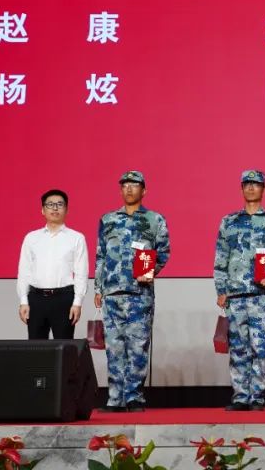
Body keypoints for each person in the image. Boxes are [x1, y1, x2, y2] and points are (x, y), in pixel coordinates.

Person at [94, 170, 170, 412]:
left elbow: (163, 251)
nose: (129, 188)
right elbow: (101, 255)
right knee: (114, 347)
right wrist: (98, 287)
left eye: (134, 185)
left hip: (140, 293)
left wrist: (151, 271)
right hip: (112, 293)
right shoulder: (108, 219)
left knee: (138, 346)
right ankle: (115, 398)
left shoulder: (155, 220)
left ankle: (134, 396)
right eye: (125, 185)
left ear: (143, 190)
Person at [214, 170, 265, 411]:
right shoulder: (229, 222)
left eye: (256, 184)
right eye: (246, 184)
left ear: (264, 190)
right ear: (241, 189)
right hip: (235, 295)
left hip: (262, 296)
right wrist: (221, 289)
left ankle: (256, 396)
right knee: (238, 347)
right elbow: (221, 258)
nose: (251, 188)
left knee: (260, 347)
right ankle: (240, 395)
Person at [16, 189, 88, 340]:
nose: (55, 208)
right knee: (35, 348)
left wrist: (77, 303)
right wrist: (23, 301)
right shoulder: (31, 238)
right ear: (42, 210)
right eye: (50, 204)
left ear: (66, 210)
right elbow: (24, 271)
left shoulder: (76, 238)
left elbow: (81, 273)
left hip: (64, 298)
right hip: (36, 299)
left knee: (65, 347)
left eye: (60, 204)